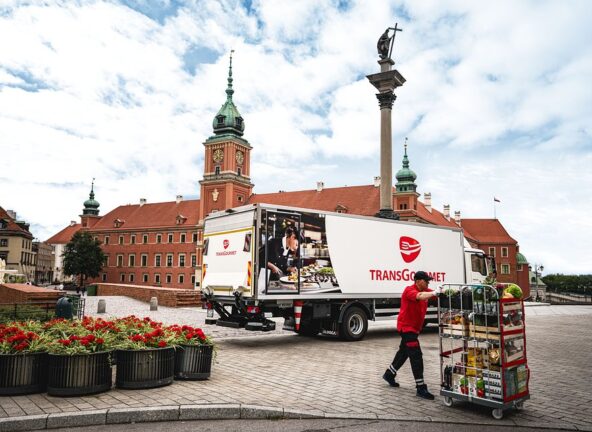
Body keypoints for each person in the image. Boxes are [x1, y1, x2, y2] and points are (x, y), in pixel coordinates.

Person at [383, 271, 438, 400]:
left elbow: (433, 295)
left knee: (404, 352)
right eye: (426, 280)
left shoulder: (426, 290)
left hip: (414, 329)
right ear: (418, 281)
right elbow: (420, 296)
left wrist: (442, 292)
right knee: (416, 355)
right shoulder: (409, 290)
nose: (428, 282)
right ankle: (420, 387)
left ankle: (389, 374)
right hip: (407, 328)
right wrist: (433, 293)